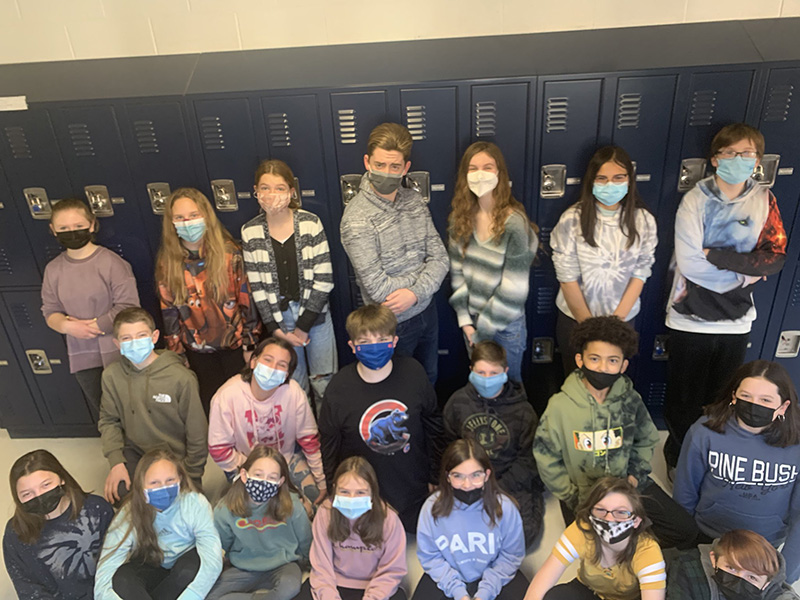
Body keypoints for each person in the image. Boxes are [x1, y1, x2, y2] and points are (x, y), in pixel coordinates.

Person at [663, 123, 788, 470]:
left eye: (747, 154)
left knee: (724, 400)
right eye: (730, 153)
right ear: (715, 160)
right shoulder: (696, 200)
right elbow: (689, 262)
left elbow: (775, 257)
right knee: (684, 399)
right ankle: (677, 458)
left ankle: (709, 460)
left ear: (758, 160)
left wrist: (716, 256)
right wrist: (746, 274)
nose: (739, 160)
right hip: (689, 316)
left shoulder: (765, 200)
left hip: (736, 321)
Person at [533, 316, 697, 549]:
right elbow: (546, 457)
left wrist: (634, 476)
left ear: (623, 366)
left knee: (685, 531)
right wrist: (572, 495)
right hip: (583, 495)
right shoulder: (560, 406)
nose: (602, 367)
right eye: (594, 359)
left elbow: (647, 439)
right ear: (580, 360)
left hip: (629, 485)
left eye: (612, 361)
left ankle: (635, 545)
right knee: (594, 550)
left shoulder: (630, 400)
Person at [319, 303, 445, 532]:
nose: (374, 347)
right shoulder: (339, 388)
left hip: (413, 491)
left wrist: (436, 475)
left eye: (381, 340)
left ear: (394, 341)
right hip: (364, 497)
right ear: (352, 346)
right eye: (364, 342)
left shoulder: (413, 372)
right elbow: (329, 444)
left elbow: (433, 425)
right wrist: (333, 488)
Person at [340, 122, 448, 384]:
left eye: (394, 167)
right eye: (379, 165)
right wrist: (421, 283)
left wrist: (414, 293)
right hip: (390, 326)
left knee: (429, 380)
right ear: (367, 162)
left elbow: (441, 258)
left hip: (427, 313)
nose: (386, 173)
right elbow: (378, 289)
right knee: (400, 388)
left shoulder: (413, 201)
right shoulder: (356, 219)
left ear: (405, 168)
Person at [673, 360, 800, 583]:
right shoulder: (704, 432)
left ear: (783, 406)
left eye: (765, 400)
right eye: (746, 396)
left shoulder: (796, 444)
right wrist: (685, 540)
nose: (753, 404)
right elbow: (685, 492)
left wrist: (785, 575)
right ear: (734, 396)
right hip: (708, 537)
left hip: (763, 548)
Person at [551, 145, 657, 376]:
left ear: (629, 180)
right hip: (576, 321)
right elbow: (566, 276)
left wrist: (614, 327)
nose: (610, 185)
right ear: (591, 181)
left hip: (623, 321)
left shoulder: (644, 221)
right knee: (576, 385)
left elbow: (641, 273)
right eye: (602, 178)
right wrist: (590, 329)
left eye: (618, 178)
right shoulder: (572, 219)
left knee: (612, 387)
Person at [156, 187, 261, 416]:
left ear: (206, 216)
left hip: (233, 348)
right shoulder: (168, 263)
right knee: (212, 406)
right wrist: (177, 354)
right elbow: (169, 314)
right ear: (171, 222)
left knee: (242, 404)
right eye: (180, 218)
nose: (187, 222)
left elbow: (247, 303)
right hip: (197, 352)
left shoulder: (230, 255)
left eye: (193, 215)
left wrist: (250, 344)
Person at [242, 160, 336, 404]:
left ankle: (327, 437)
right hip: (280, 321)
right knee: (294, 384)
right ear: (256, 191)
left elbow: (324, 279)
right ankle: (305, 436)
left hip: (316, 318)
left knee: (324, 380)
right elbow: (257, 287)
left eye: (279, 188)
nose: (271, 194)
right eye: (265, 188)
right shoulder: (249, 231)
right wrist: (276, 329)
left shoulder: (310, 223)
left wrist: (304, 326)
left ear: (291, 192)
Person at [447, 141, 539, 382]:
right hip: (473, 325)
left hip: (506, 326)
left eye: (488, 167)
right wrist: (466, 323)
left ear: (499, 173)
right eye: (473, 168)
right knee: (482, 385)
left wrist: (482, 332)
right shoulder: (460, 220)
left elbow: (514, 289)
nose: (480, 174)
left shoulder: (514, 223)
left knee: (510, 385)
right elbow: (457, 275)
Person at [41, 197, 140, 418]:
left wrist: (94, 326)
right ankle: (118, 451)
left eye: (78, 226)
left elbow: (129, 306)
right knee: (105, 414)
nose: (72, 232)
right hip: (81, 352)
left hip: (118, 349)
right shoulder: (53, 270)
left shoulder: (112, 263)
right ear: (53, 230)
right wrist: (67, 327)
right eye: (64, 228)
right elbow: (50, 310)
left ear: (92, 225)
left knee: (134, 410)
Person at [98, 307, 208, 504]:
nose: (134, 343)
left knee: (180, 508)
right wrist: (116, 462)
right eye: (126, 338)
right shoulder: (111, 376)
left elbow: (197, 433)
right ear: (117, 343)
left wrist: (192, 475)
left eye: (141, 335)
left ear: (154, 336)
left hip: (174, 457)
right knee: (120, 496)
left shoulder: (181, 378)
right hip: (137, 453)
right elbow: (108, 421)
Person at [443, 341, 544, 546]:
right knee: (454, 536)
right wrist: (467, 481)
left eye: (493, 373)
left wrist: (498, 486)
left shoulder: (524, 410)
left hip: (509, 481)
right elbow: (447, 447)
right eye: (481, 372)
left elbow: (529, 459)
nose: (487, 379)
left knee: (523, 535)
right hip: (467, 479)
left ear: (505, 371)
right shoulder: (457, 403)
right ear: (471, 371)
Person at [208, 336, 326, 504]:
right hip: (244, 462)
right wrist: (251, 468)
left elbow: (309, 440)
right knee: (255, 509)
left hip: (286, 458)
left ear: (287, 374)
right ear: (253, 362)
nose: (272, 369)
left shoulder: (293, 392)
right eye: (268, 360)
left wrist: (321, 479)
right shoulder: (226, 396)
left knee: (313, 498)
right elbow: (219, 449)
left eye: (281, 365)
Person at [94, 449, 222, 600]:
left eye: (170, 481)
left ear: (180, 478)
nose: (163, 488)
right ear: (141, 485)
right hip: (152, 566)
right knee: (122, 578)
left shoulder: (195, 503)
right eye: (154, 483)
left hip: (184, 570)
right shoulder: (128, 513)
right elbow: (107, 567)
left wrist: (191, 596)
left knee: (189, 570)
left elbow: (212, 559)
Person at [414, 438, 529, 600]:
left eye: (475, 475)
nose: (467, 485)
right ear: (447, 477)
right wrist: (459, 593)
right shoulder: (432, 508)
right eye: (458, 476)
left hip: (495, 576)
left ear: (487, 474)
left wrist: (484, 593)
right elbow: (431, 557)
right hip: (449, 577)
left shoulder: (505, 508)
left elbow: (510, 557)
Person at [523, 477, 666, 600]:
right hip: (590, 590)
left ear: (636, 520)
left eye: (621, 512)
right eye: (601, 510)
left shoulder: (648, 551)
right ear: (590, 515)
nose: (609, 518)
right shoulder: (582, 530)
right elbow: (545, 577)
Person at [3, 449, 114, 599]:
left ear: (62, 479)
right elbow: (27, 588)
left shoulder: (97, 509)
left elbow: (116, 562)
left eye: (46, 485)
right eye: (27, 494)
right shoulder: (15, 533)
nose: (39, 495)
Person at [208, 445, 312, 600]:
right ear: (244, 475)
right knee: (211, 596)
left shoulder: (293, 505)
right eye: (258, 474)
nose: (264, 482)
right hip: (243, 567)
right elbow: (222, 546)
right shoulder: (224, 509)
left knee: (290, 588)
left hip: (284, 565)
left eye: (272, 477)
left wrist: (310, 566)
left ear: (280, 481)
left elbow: (306, 541)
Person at [295, 456, 407, 600]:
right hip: (334, 583)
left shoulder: (389, 519)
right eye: (344, 492)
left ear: (372, 493)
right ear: (335, 490)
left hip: (375, 586)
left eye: (360, 492)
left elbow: (392, 570)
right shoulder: (325, 513)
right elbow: (321, 567)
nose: (352, 498)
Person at [666, 529, 800, 600]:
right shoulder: (688, 571)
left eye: (752, 578)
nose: (739, 580)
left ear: (766, 585)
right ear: (714, 559)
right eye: (731, 568)